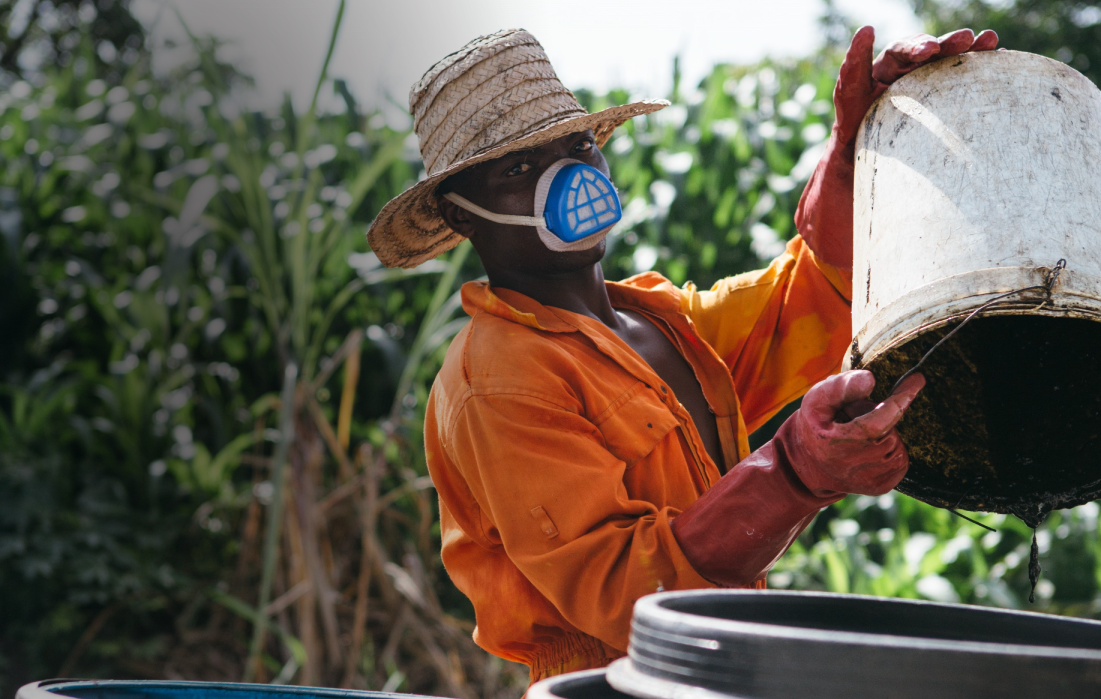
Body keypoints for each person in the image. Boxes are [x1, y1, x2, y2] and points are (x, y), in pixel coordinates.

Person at [365, 25, 997, 682]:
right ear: (460, 213)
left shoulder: (659, 324)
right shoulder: (497, 378)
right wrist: (793, 475)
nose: (568, 178)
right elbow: (625, 595)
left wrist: (852, 153)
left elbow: (806, 297)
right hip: (608, 686)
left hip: (719, 673)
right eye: (519, 169)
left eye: (578, 146)